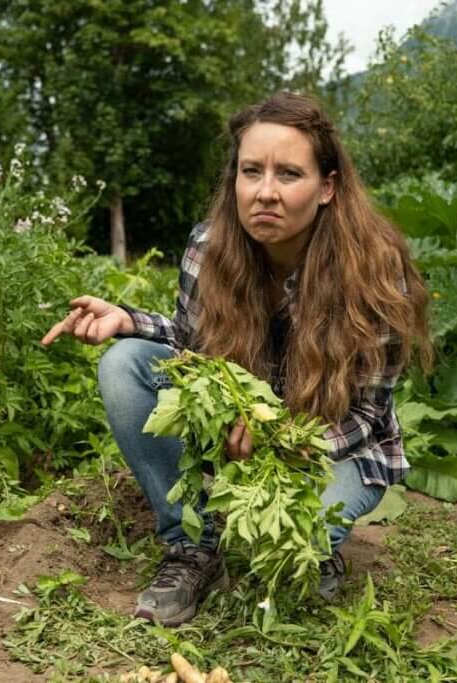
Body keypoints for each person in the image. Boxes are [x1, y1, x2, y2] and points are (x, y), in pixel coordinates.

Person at [41, 91, 432, 627]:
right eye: (251, 171)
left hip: (330, 447)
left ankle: (319, 549)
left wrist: (282, 440)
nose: (265, 193)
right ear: (235, 180)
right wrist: (129, 321)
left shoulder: (375, 273)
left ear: (327, 187)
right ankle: (192, 545)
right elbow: (191, 346)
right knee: (125, 362)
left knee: (289, 566)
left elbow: (367, 414)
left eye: (289, 174)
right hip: (236, 437)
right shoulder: (209, 248)